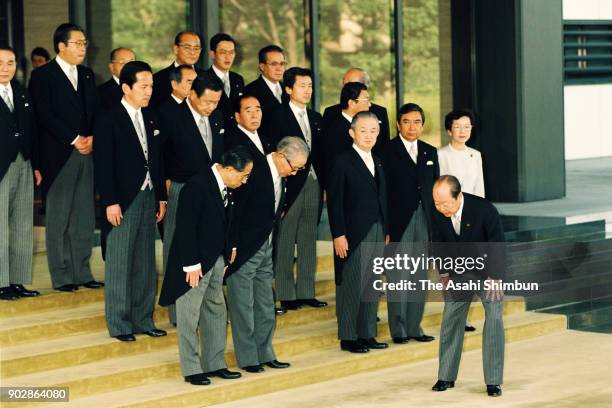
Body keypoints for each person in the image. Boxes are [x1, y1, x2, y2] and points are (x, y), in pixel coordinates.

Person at [159, 146, 253, 386]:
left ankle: (215, 363)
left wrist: (230, 248)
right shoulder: (197, 185)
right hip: (194, 263)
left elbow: (229, 221)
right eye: (243, 176)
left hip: (215, 258)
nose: (244, 182)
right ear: (229, 169)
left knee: (216, 310)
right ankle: (191, 368)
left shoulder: (227, 187)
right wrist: (191, 264)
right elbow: (186, 228)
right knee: (189, 316)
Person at [225, 97, 306, 372]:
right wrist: (233, 245)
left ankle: (265, 351)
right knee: (243, 304)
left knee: (265, 302)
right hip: (245, 246)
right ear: (281, 156)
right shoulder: (253, 168)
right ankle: (248, 357)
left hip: (267, 244)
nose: (294, 174)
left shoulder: (282, 175)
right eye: (293, 168)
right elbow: (235, 211)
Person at [93, 61, 168, 342]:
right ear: (126, 87)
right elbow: (103, 166)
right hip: (122, 200)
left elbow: (157, 161)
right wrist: (110, 202)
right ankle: (120, 323)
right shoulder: (108, 118)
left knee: (145, 262)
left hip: (149, 197)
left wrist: (161, 196)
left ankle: (143, 318)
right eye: (143, 86)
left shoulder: (151, 118)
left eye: (151, 86)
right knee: (120, 263)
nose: (149, 91)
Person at [29, 23, 103, 292]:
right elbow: (44, 115)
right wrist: (74, 139)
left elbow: (95, 111)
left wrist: (93, 137)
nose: (83, 48)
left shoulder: (86, 75)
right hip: (59, 155)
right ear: (61, 46)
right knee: (59, 218)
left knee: (84, 217)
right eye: (78, 43)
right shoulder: (43, 76)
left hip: (87, 152)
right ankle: (62, 276)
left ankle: (82, 272)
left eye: (84, 43)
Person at [158, 74, 224, 325]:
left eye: (216, 102)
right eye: (207, 101)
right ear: (192, 94)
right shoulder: (171, 116)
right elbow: (159, 155)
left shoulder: (217, 117)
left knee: (207, 245)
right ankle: (178, 312)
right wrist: (163, 189)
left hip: (211, 191)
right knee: (178, 248)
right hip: (181, 188)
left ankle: (204, 311)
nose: (211, 107)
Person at [431, 175, 505, 397]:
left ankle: (493, 381)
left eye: (445, 203)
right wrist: (444, 273)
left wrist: (496, 276)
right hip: (459, 273)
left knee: (493, 318)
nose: (441, 208)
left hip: (487, 273)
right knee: (450, 320)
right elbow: (439, 244)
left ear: (459, 196)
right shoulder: (438, 213)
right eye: (436, 203)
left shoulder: (485, 210)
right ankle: (445, 376)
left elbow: (497, 243)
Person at [327, 111, 388, 354]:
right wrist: (338, 234)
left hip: (376, 228)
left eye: (373, 130)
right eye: (363, 130)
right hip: (352, 232)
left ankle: (367, 333)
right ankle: (349, 336)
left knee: (372, 283)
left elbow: (383, 197)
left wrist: (386, 229)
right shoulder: (342, 161)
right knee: (351, 284)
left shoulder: (378, 159)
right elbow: (335, 201)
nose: (369, 135)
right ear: (352, 132)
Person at [380, 103, 437, 344]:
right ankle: (399, 328)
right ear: (397, 124)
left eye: (417, 122)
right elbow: (382, 193)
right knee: (398, 276)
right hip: (398, 223)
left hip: (424, 220)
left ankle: (415, 326)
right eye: (407, 122)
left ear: (422, 125)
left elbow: (435, 191)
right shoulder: (385, 151)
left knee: (419, 276)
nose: (412, 127)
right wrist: (386, 228)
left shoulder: (429, 152)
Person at [272, 67, 327, 312]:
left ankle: (306, 291)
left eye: (310, 86)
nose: (307, 90)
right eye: (302, 85)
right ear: (288, 89)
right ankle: (285, 292)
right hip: (289, 185)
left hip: (314, 184)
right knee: (285, 238)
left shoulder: (316, 117)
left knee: (308, 239)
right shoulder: (278, 115)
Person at [0, 45, 41, 300]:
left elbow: (32, 132)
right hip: (1, 167)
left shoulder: (23, 93)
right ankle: (1, 281)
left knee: (23, 225)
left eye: (10, 63)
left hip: (23, 164)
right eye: (1, 62)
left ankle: (17, 280)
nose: (5, 68)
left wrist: (35, 164)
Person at [322, 68, 390, 152]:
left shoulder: (380, 112)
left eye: (351, 84)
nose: (345, 87)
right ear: (351, 103)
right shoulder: (331, 113)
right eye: (344, 83)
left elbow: (385, 146)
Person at [322, 82, 372, 180]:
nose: (369, 104)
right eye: (366, 100)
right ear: (352, 103)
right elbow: (331, 167)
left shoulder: (363, 124)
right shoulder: (334, 130)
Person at [151, 31, 205, 107]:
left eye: (196, 48)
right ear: (176, 49)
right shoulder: (157, 79)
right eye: (187, 48)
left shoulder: (207, 77)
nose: (192, 52)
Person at [438, 109, 484, 198]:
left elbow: (479, 187)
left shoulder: (476, 155)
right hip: (448, 206)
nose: (463, 131)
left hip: (472, 206)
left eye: (467, 127)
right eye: (457, 127)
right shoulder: (440, 155)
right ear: (449, 131)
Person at [244, 45, 287, 140]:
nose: (279, 68)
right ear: (262, 66)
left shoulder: (288, 89)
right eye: (274, 64)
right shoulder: (250, 91)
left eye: (282, 64)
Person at [205, 33, 244, 127]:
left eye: (231, 52)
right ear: (212, 54)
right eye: (223, 52)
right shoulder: (203, 79)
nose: (228, 57)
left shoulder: (238, 79)